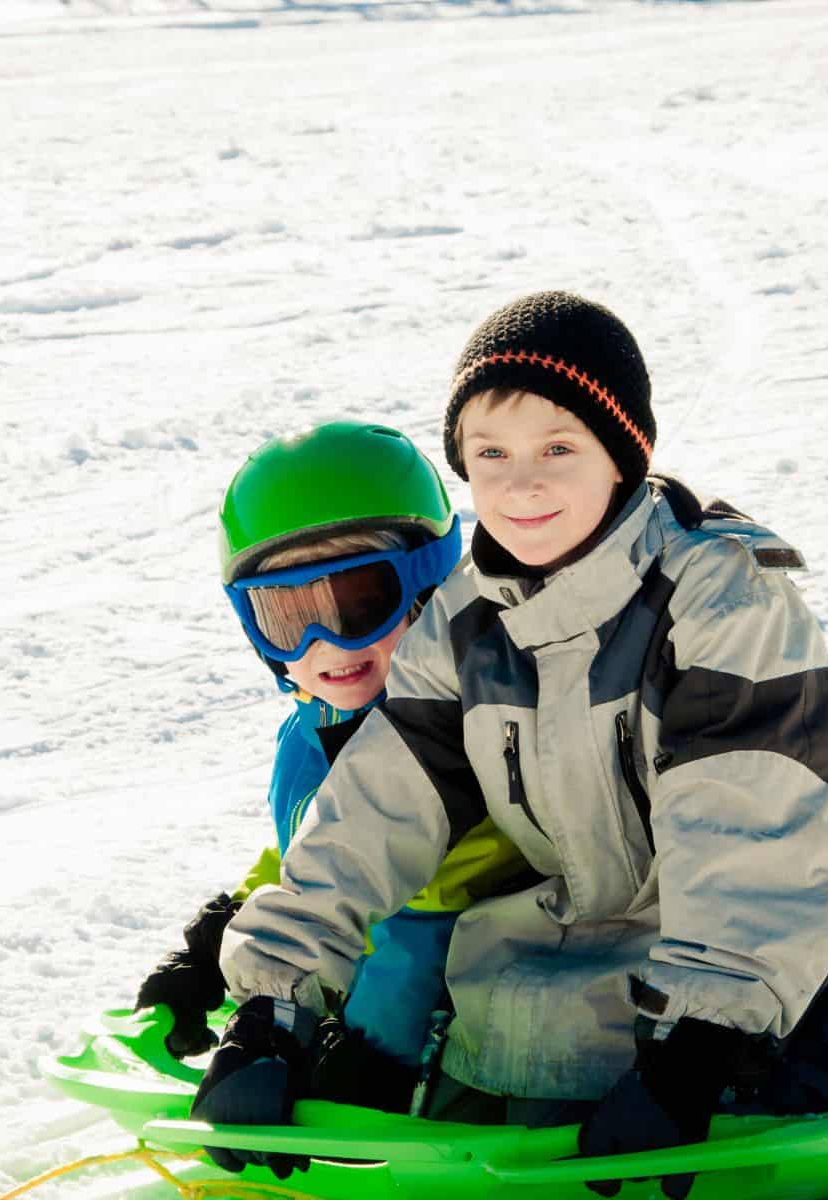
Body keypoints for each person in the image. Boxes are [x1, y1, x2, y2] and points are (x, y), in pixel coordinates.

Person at [190, 293, 828, 1197]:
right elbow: (371, 813)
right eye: (491, 455)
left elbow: (753, 828)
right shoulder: (468, 622)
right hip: (562, 973)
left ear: (622, 452)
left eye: (558, 447)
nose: (522, 485)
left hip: (749, 993)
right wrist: (272, 1006)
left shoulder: (714, 598)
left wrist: (697, 1046)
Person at [134, 420, 529, 1120]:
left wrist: (370, 1056)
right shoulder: (311, 729)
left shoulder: (475, 724)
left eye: (357, 603)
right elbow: (315, 852)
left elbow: (438, 911)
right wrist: (224, 934)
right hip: (351, 988)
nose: (327, 642)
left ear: (429, 588)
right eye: (289, 617)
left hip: (486, 1027)